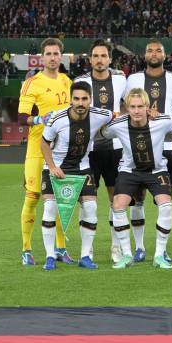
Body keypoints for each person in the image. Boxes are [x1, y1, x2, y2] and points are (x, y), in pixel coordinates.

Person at [101, 88, 172, 269]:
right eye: (132, 107)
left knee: (166, 206)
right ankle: (127, 254)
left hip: (156, 171)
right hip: (129, 171)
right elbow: (103, 132)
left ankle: (159, 255)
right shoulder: (118, 124)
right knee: (118, 206)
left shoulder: (162, 121)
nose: (136, 110)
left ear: (147, 108)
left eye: (140, 106)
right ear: (127, 107)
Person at [39, 82, 114, 270]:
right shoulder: (58, 118)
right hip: (56, 168)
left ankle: (85, 256)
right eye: (76, 99)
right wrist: (52, 166)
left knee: (91, 207)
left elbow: (117, 116)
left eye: (84, 99)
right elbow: (44, 143)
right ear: (71, 99)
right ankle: (49, 256)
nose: (80, 103)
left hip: (83, 167)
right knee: (50, 207)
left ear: (90, 100)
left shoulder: (101, 115)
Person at [125, 39, 172, 263]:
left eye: (158, 50)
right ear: (145, 54)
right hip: (136, 142)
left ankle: (162, 249)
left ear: (164, 55)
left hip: (166, 145)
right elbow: (127, 105)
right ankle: (139, 247)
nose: (154, 53)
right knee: (137, 197)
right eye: (150, 50)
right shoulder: (134, 79)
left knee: (165, 199)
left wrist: (166, 120)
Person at [17, 38, 73, 266]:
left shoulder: (67, 81)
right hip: (37, 149)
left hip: (61, 150)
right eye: (48, 53)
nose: (52, 57)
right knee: (33, 197)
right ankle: (26, 249)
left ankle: (61, 248)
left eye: (55, 53)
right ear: (42, 58)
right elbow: (21, 117)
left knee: (61, 199)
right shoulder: (32, 83)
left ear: (61, 56)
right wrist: (40, 118)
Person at [74, 39, 127, 264]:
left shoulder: (120, 79)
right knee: (87, 201)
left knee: (116, 200)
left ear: (110, 59)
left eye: (103, 56)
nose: (99, 60)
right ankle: (88, 248)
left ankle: (116, 246)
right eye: (95, 56)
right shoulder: (80, 81)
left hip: (115, 149)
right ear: (90, 59)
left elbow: (126, 106)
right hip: (88, 150)